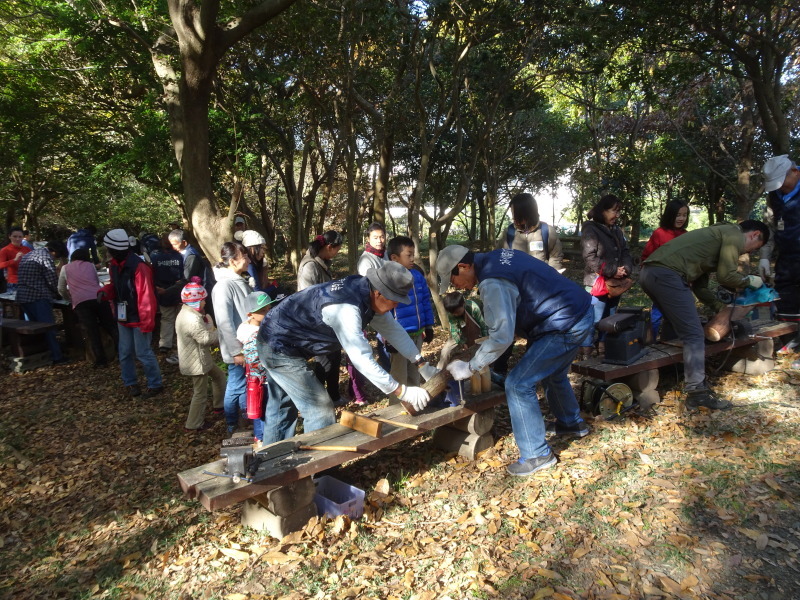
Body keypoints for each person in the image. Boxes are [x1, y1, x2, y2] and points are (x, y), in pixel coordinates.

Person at [435, 245, 593, 477]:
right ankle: (571, 423)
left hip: (563, 324)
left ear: (464, 266)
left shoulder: (492, 281)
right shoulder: (497, 256)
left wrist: (471, 367)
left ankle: (537, 454)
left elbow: (501, 337)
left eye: (453, 279)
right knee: (552, 373)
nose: (455, 286)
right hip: (579, 312)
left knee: (518, 384)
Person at [257, 261, 439, 445]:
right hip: (277, 343)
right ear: (379, 293)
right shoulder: (346, 308)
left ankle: (270, 463)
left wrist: (420, 363)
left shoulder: (367, 292)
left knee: (281, 406)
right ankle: (319, 471)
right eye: (395, 302)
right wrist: (401, 391)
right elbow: (361, 359)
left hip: (284, 338)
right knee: (319, 408)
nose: (395, 308)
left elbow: (393, 330)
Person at [640, 220, 769, 410]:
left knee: (674, 325)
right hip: (667, 275)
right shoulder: (733, 234)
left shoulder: (717, 237)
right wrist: (749, 280)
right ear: (754, 234)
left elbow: (700, 288)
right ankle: (697, 394)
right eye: (752, 249)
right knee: (694, 334)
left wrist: (719, 307)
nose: (747, 253)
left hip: (649, 273)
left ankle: (672, 371)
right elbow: (727, 276)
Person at [100, 228, 164, 398]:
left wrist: (147, 321)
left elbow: (146, 296)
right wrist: (106, 291)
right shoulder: (114, 265)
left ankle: (155, 384)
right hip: (124, 316)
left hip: (139, 317)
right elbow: (115, 286)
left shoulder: (139, 267)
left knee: (143, 352)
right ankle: (130, 383)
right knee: (125, 352)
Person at [580, 194, 634, 358]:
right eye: (613, 211)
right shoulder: (590, 229)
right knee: (593, 319)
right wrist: (612, 270)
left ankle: (603, 347)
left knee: (610, 318)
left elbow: (625, 251)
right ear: (602, 211)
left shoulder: (616, 230)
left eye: (619, 212)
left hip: (614, 284)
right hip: (597, 283)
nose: (617, 215)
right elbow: (590, 257)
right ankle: (586, 352)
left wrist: (625, 268)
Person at [297, 231, 345, 405]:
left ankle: (334, 395)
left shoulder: (322, 262)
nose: (338, 253)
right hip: (316, 322)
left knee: (335, 357)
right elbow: (307, 298)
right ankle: (317, 401)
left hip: (329, 320)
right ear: (329, 247)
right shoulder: (310, 266)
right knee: (324, 362)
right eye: (337, 249)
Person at [211, 241, 253, 434]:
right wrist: (236, 350)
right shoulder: (223, 286)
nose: (248, 260)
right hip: (238, 347)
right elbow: (224, 322)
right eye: (244, 256)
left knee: (245, 383)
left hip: (247, 344)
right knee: (236, 384)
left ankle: (247, 417)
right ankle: (231, 423)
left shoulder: (239, 280)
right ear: (232, 261)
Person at [759, 156, 800, 352]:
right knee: (785, 294)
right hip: (787, 255)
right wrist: (765, 256)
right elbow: (771, 226)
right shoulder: (775, 196)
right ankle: (790, 340)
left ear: (795, 172)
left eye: (782, 182)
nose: (780, 187)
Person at [175, 277, 225, 432]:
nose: (205, 303)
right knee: (200, 393)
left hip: (201, 359)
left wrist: (208, 323)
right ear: (196, 302)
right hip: (197, 363)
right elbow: (205, 339)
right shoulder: (192, 319)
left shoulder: (187, 313)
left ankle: (219, 405)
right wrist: (220, 332)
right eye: (203, 300)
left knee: (219, 377)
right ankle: (193, 424)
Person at [236, 290, 287, 442]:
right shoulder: (253, 334)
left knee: (266, 407)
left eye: (269, 308)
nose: (268, 312)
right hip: (261, 379)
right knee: (262, 408)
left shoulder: (258, 327)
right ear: (250, 314)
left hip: (265, 377)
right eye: (263, 311)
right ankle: (263, 438)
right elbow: (256, 359)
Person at [386, 236, 435, 387]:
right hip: (399, 336)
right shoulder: (388, 279)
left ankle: (415, 406)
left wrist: (428, 326)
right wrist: (387, 338)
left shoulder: (418, 276)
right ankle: (396, 408)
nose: (413, 258)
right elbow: (384, 311)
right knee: (399, 376)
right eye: (409, 255)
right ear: (394, 258)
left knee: (415, 372)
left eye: (413, 254)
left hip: (417, 334)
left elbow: (425, 301)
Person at [59, 248, 117, 367]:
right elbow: (96, 282)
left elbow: (61, 288)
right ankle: (123, 352)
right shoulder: (90, 266)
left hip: (81, 302)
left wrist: (68, 298)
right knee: (111, 327)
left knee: (92, 331)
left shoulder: (66, 268)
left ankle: (100, 360)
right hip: (98, 298)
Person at [640, 200, 690, 339]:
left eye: (684, 215)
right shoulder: (659, 233)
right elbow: (646, 256)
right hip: (660, 280)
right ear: (670, 215)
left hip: (679, 281)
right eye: (678, 215)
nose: (681, 218)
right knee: (657, 312)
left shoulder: (686, 235)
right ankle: (651, 342)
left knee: (677, 314)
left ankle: (672, 341)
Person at [17, 240, 70, 364]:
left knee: (35, 326)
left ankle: (42, 352)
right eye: (57, 256)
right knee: (48, 327)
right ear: (54, 252)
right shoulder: (46, 257)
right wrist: (59, 293)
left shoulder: (31, 254)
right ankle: (57, 356)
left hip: (23, 296)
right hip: (38, 296)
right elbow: (52, 281)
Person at [498, 192, 564, 271]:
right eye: (512, 214)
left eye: (516, 214)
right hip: (515, 280)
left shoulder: (547, 231)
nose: (513, 218)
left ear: (527, 213)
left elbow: (555, 259)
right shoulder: (508, 233)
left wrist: (551, 277)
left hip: (541, 280)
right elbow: (501, 258)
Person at [146, 236, 185, 363]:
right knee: (180, 318)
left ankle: (165, 343)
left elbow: (153, 273)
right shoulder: (179, 256)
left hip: (162, 290)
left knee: (166, 318)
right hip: (177, 289)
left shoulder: (155, 257)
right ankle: (181, 341)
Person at [437, 291, 488, 369]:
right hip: (459, 333)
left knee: (480, 353)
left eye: (457, 312)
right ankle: (439, 372)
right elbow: (454, 331)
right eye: (453, 313)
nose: (455, 314)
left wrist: (485, 340)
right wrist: (462, 342)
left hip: (476, 332)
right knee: (445, 351)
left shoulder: (473, 308)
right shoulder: (451, 312)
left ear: (463, 304)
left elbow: (482, 325)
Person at [0, 227, 32, 293]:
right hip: (13, 282)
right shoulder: (5, 250)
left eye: (20, 237)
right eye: (15, 236)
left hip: (27, 281)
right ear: (9, 236)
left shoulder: (27, 249)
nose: (17, 239)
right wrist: (14, 260)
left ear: (23, 237)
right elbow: (1, 265)